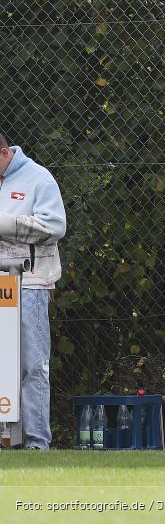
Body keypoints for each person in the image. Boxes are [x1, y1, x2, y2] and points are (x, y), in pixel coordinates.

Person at [0, 133, 66, 449]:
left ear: (3, 153)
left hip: (30, 284)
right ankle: (6, 440)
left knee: (32, 365)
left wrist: (5, 223)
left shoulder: (39, 178)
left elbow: (55, 227)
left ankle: (37, 443)